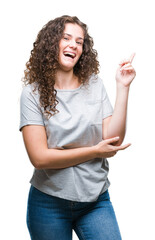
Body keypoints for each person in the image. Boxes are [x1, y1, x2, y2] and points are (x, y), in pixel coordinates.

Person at [19, 15, 136, 240]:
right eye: (66, 38)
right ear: (52, 43)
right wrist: (94, 152)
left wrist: (122, 87)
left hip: (96, 200)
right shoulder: (32, 94)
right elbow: (40, 158)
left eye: (80, 41)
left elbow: (113, 140)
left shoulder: (95, 85)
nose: (74, 44)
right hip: (48, 202)